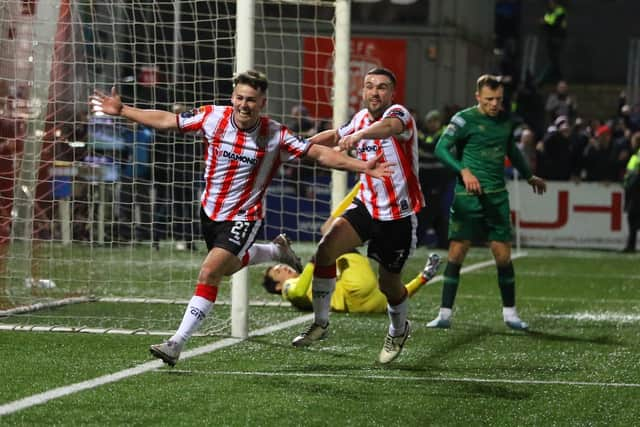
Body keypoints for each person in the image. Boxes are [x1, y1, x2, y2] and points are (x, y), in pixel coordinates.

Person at [90, 70, 393, 367]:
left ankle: (176, 344)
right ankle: (275, 251)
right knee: (228, 267)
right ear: (232, 97)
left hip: (244, 217)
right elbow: (168, 121)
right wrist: (122, 110)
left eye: (251, 99)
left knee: (209, 271)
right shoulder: (213, 117)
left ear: (262, 103)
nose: (244, 104)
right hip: (210, 212)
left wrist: (361, 166)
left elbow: (319, 154)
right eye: (239, 97)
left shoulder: (275, 134)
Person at [290, 67, 424, 364]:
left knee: (388, 285)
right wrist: (300, 144)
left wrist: (359, 136)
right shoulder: (360, 118)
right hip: (367, 206)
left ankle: (398, 329)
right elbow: (337, 135)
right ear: (363, 91)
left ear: (392, 93)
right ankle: (321, 323)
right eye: (369, 86)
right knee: (325, 250)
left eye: (382, 87)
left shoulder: (400, 115)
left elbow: (388, 128)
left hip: (397, 216)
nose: (375, 92)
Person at [426, 74, 546, 331]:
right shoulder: (464, 119)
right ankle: (444, 314)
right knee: (457, 253)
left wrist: (528, 175)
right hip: (467, 198)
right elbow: (440, 148)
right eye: (490, 99)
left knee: (503, 256)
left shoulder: (505, 121)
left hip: (496, 197)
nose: (494, 104)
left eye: (499, 100)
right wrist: (463, 171)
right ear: (478, 97)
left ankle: (510, 314)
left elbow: (511, 151)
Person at [263, 252, 441, 313]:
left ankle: (423, 277)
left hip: (362, 306)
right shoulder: (288, 288)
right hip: (355, 289)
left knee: (396, 296)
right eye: (278, 272)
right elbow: (298, 292)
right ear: (278, 286)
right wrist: (312, 262)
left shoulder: (306, 284)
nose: (284, 268)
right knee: (342, 242)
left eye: (282, 266)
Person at [417, 109, 454, 249]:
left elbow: (431, 147)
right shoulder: (423, 134)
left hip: (438, 177)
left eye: (435, 121)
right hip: (424, 177)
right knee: (431, 209)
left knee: (431, 210)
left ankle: (425, 239)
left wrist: (421, 144)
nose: (433, 124)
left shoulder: (443, 132)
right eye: (431, 121)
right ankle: (442, 241)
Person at [622, 132, 640, 253]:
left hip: (637, 192)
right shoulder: (635, 156)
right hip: (633, 191)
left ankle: (631, 245)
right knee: (633, 219)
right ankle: (630, 245)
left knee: (633, 219)